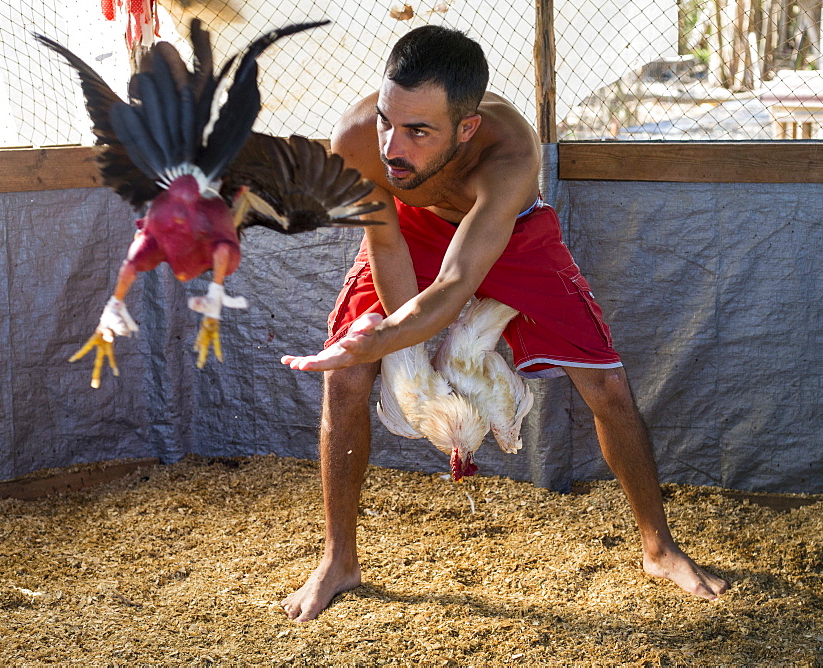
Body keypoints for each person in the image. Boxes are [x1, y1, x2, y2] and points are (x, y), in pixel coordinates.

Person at [279, 25, 729, 622]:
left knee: (607, 385)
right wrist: (390, 349)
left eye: (418, 131)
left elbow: (457, 282)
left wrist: (391, 335)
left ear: (466, 128)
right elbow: (386, 247)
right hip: (412, 230)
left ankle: (659, 548)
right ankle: (339, 560)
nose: (393, 146)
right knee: (346, 377)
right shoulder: (358, 141)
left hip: (508, 233)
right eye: (388, 118)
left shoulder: (511, 152)